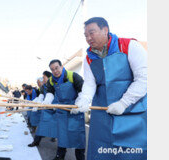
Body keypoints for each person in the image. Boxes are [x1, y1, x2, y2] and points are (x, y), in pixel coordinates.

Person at [75, 17, 147, 159]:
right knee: (102, 150)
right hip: (103, 115)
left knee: (132, 152)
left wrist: (124, 102)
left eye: (92, 33)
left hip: (133, 112)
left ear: (105, 30)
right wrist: (83, 100)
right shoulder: (89, 57)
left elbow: (144, 78)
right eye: (85, 35)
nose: (88, 38)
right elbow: (90, 83)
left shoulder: (129, 46)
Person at [42, 60, 85, 160]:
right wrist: (47, 101)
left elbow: (83, 91)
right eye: (52, 69)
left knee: (78, 137)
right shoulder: (51, 80)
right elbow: (50, 93)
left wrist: (78, 104)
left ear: (62, 66)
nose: (55, 71)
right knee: (62, 135)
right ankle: (59, 156)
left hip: (75, 111)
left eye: (56, 68)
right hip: (62, 110)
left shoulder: (73, 76)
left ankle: (80, 158)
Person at [28, 71, 56, 147]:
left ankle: (55, 138)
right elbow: (41, 96)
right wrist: (38, 103)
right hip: (46, 107)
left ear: (49, 77)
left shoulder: (55, 83)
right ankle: (36, 141)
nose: (43, 79)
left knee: (56, 125)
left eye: (44, 77)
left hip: (55, 107)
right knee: (42, 124)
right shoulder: (44, 86)